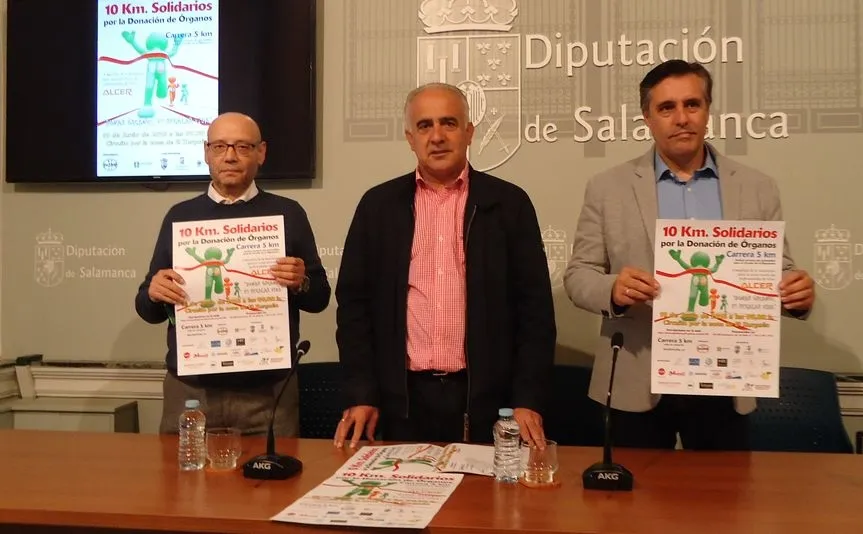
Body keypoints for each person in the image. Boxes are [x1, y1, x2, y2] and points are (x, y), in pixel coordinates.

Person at [563, 60, 815, 451]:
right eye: (667, 108)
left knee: (724, 507)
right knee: (632, 510)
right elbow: (579, 275)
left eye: (692, 104)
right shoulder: (607, 188)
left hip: (727, 379)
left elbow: (778, 270)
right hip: (639, 381)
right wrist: (613, 288)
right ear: (647, 116)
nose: (681, 118)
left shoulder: (757, 187)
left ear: (708, 109)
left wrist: (796, 292)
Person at [333, 82, 556, 449]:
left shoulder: (509, 204)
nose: (436, 136)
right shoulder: (378, 206)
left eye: (448, 123)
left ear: (469, 132)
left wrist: (527, 399)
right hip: (401, 401)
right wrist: (362, 392)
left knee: (482, 506)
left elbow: (535, 313)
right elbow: (354, 309)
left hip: (487, 403)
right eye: (424, 126)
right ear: (410, 138)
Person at [135, 112, 331, 436]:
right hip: (191, 391)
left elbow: (319, 297)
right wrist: (154, 293)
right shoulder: (180, 216)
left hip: (267, 393)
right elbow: (147, 309)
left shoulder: (289, 213)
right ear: (206, 152)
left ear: (261, 152)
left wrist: (302, 282)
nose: (230, 156)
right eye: (220, 146)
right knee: (180, 485)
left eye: (242, 146)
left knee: (273, 486)